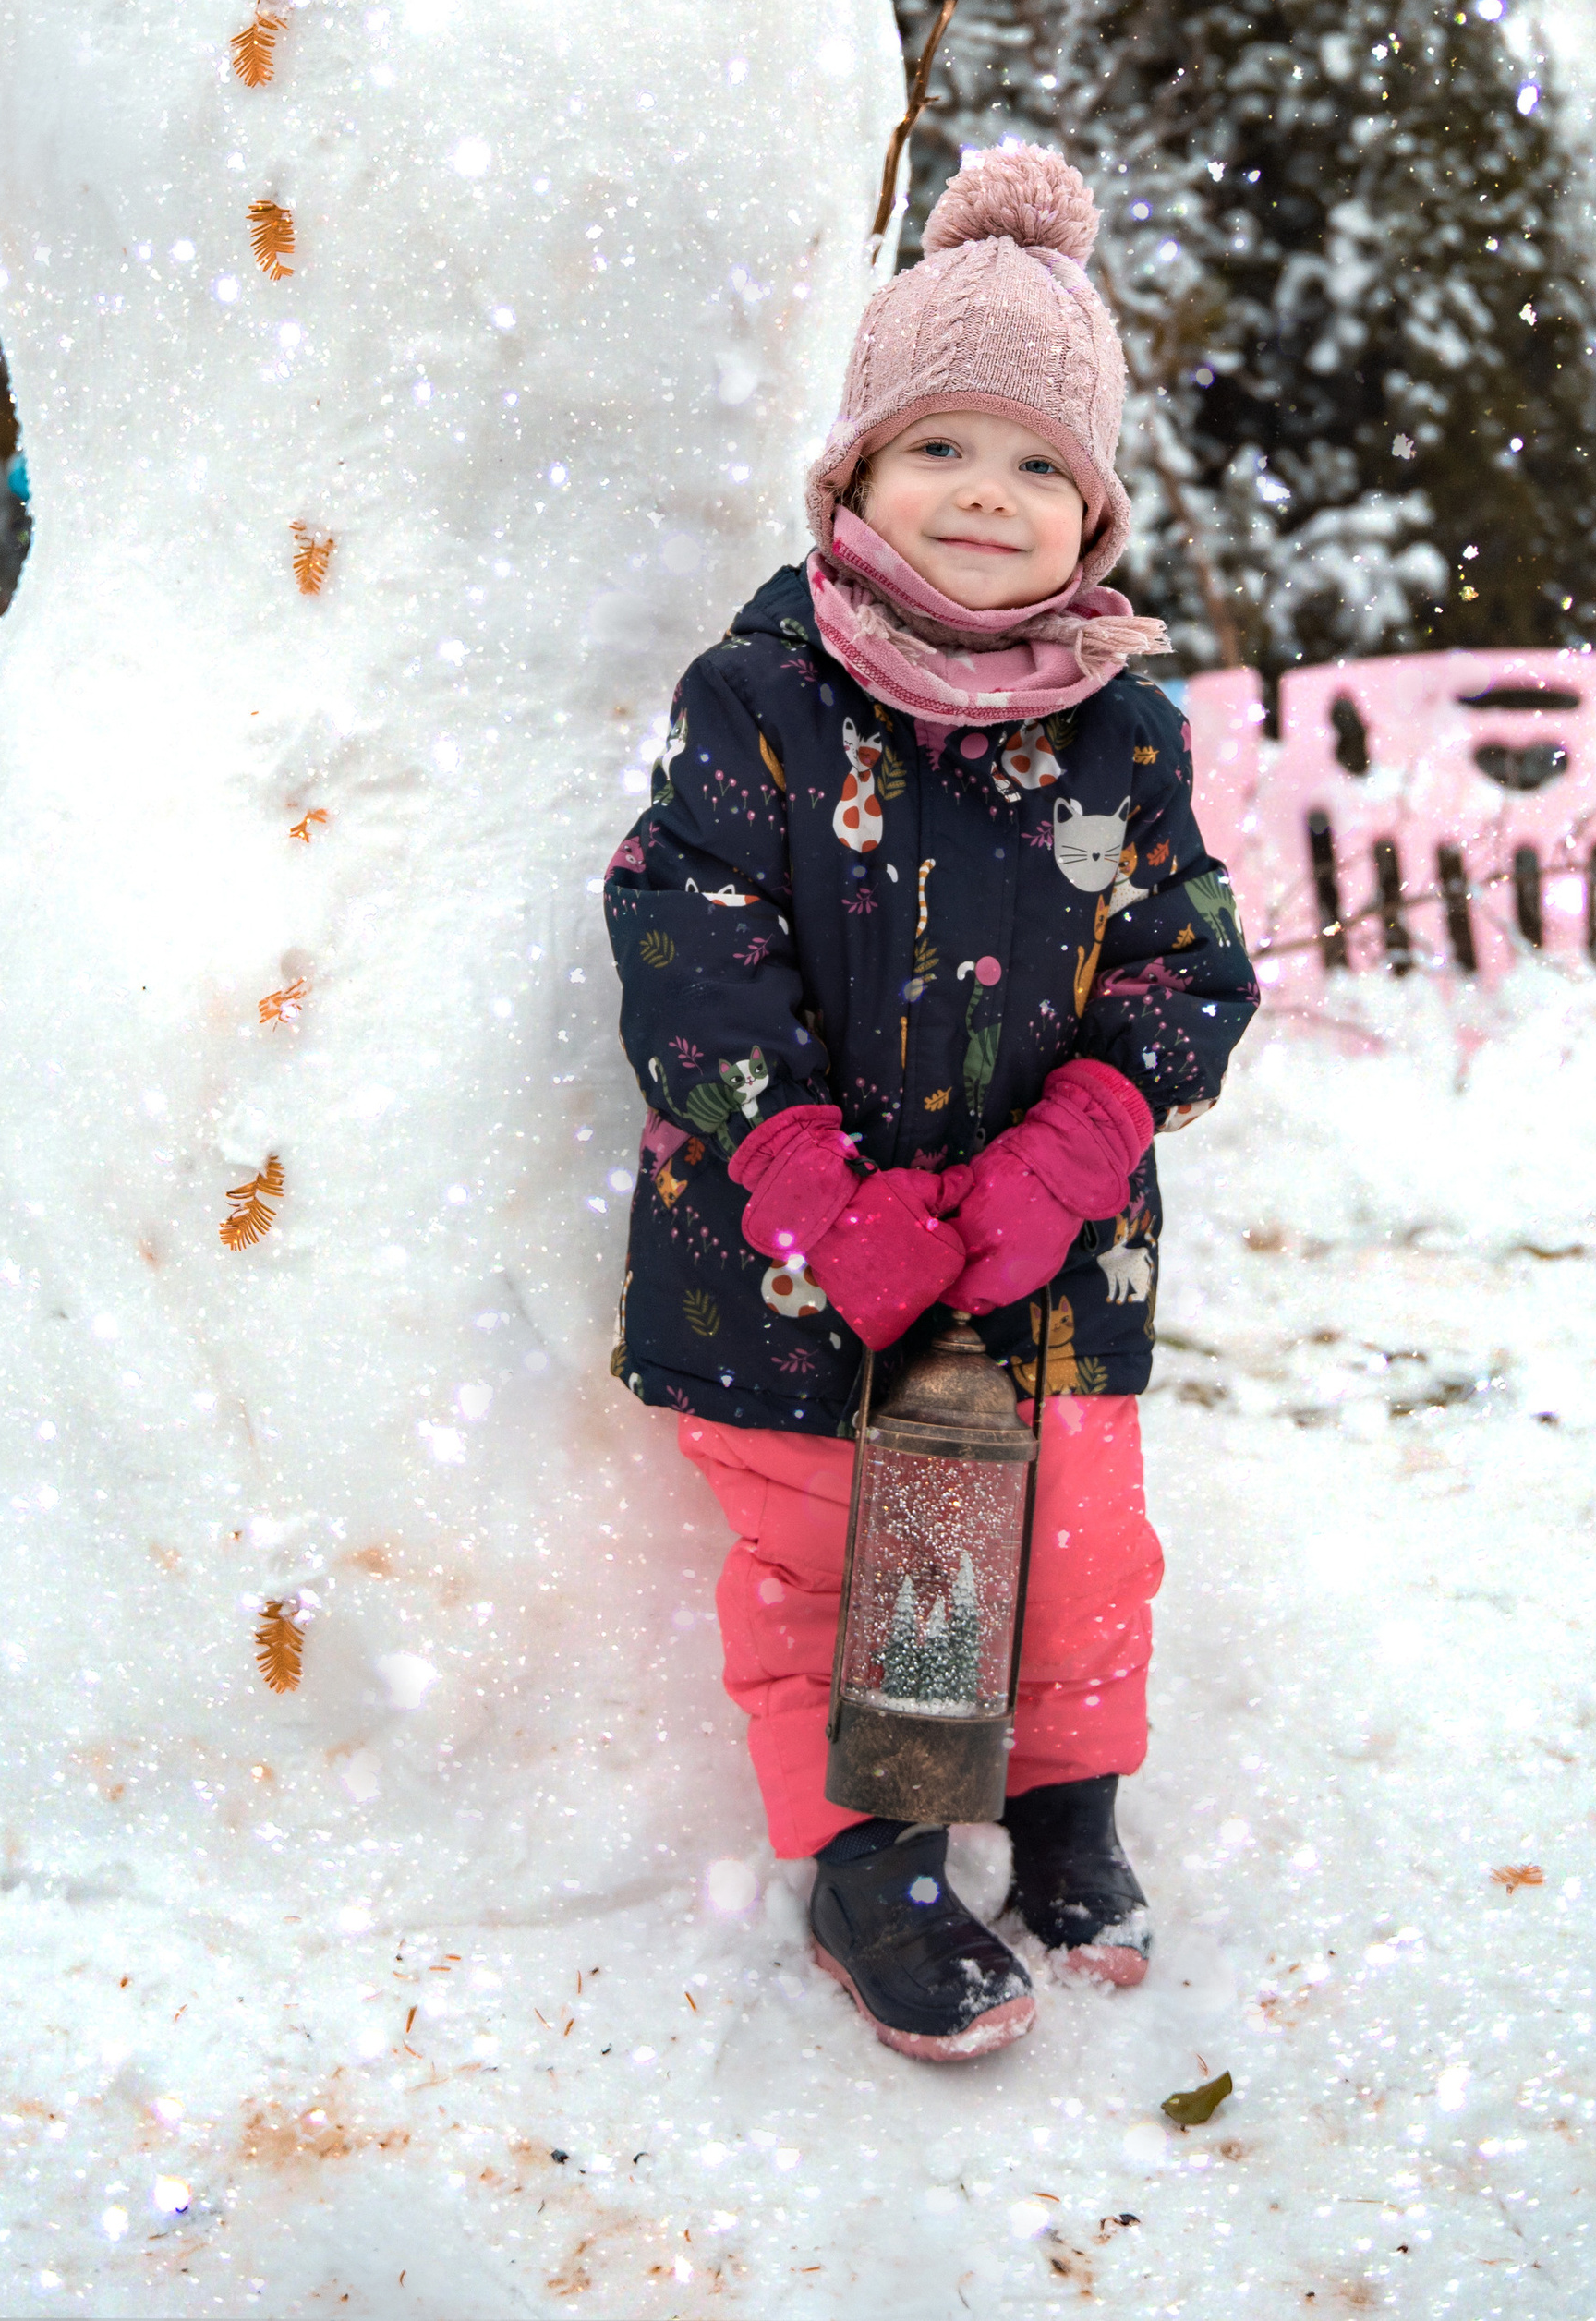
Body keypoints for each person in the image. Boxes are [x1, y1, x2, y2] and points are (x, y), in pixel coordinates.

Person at [603, 144, 1261, 2062]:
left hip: (1046, 1269)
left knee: (1063, 1546)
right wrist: (812, 1185)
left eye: (1037, 465)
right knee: (835, 1553)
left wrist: (1067, 1160)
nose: (987, 495)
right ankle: (867, 1849)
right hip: (787, 1264)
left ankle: (1057, 1805)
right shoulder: (765, 699)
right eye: (940, 451)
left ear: (1094, 511)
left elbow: (1184, 970)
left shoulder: (1126, 731)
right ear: (853, 481)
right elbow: (686, 942)